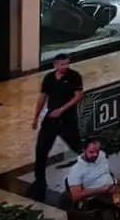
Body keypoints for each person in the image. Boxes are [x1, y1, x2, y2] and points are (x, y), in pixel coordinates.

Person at [30, 53, 85, 196]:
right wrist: (36, 117)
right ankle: (39, 181)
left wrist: (62, 109)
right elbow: (43, 98)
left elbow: (78, 96)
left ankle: (94, 172)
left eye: (67, 63)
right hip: (51, 119)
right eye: (62, 64)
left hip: (67, 120)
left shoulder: (74, 76)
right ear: (55, 65)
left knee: (78, 147)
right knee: (41, 150)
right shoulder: (48, 78)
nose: (65, 67)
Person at [63, 137, 115, 206]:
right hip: (96, 200)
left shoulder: (102, 155)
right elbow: (75, 196)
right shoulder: (76, 169)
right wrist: (100, 190)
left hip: (113, 191)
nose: (95, 154)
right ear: (84, 150)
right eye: (91, 152)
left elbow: (106, 172)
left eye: (97, 151)